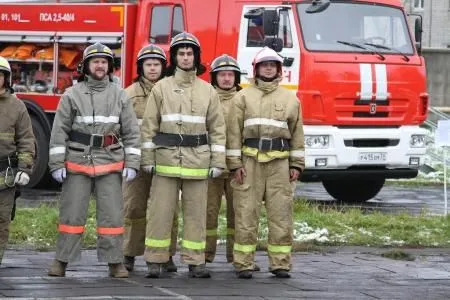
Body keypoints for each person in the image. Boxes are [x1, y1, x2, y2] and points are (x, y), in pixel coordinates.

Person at [47, 42, 141, 278]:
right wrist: (57, 164)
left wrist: (132, 163)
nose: (99, 66)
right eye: (95, 61)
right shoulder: (72, 94)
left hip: (110, 163)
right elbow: (59, 132)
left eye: (103, 62)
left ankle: (115, 262)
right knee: (71, 215)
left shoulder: (120, 95)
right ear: (86, 66)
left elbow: (131, 132)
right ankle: (62, 260)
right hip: (77, 162)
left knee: (112, 216)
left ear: (110, 66)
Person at [141, 32, 226, 278]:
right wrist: (147, 159)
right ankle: (155, 260)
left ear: (196, 57)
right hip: (165, 161)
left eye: (190, 53)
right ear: (174, 57)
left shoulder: (207, 91)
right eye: (182, 53)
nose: (186, 57)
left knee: (196, 214)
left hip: (198, 162)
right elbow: (149, 127)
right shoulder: (161, 88)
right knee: (160, 212)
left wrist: (218, 162)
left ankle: (195, 261)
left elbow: (217, 129)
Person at [227, 47, 305, 279]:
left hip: (280, 165)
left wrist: (296, 165)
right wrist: (235, 164)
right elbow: (233, 135)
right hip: (249, 163)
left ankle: (280, 263)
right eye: (264, 65)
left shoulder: (291, 99)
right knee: (246, 213)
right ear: (256, 69)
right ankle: (243, 263)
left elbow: (297, 136)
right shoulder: (242, 97)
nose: (268, 68)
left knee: (281, 214)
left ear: (279, 69)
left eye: (272, 65)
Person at [122, 44, 179, 273]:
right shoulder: (128, 94)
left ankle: (165, 255)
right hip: (136, 159)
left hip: (165, 158)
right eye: (148, 64)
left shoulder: (172, 91)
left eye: (157, 64)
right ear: (140, 67)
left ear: (164, 67)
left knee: (168, 208)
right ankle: (128, 252)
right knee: (132, 206)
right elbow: (122, 128)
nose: (153, 68)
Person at [205, 54, 241, 264]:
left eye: (230, 75)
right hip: (211, 166)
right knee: (207, 212)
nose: (226, 79)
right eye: (222, 75)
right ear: (214, 77)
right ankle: (205, 255)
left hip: (238, 167)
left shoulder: (244, 100)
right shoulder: (207, 98)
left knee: (239, 214)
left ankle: (237, 255)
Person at [0, 56, 35, 264]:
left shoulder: (17, 107)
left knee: (2, 220)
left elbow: (26, 139)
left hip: (5, 177)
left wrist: (25, 168)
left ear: (7, 79)